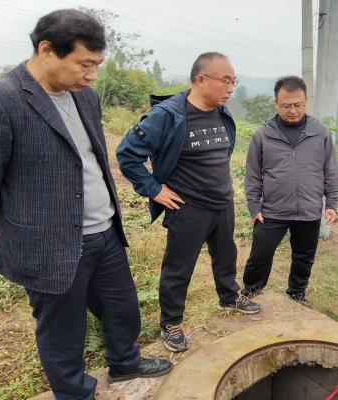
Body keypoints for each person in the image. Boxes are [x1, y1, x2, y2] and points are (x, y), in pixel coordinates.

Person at [0, 9, 172, 399]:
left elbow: (92, 159)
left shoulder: (85, 97)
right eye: (84, 64)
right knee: (63, 331)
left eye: (97, 65)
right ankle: (74, 393)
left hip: (105, 232)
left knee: (122, 308)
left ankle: (125, 363)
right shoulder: (1, 100)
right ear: (47, 50)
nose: (92, 75)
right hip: (49, 245)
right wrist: (26, 229)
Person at [116, 52, 261, 353]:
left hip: (222, 202)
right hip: (188, 207)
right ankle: (171, 322)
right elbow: (127, 154)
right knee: (178, 268)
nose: (231, 88)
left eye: (234, 81)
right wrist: (153, 189)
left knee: (226, 254)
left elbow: (221, 154)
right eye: (225, 80)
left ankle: (229, 296)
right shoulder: (168, 115)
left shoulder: (222, 112)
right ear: (201, 79)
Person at [241, 75, 338, 302]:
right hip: (272, 210)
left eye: (298, 105)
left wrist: (332, 203)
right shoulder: (263, 134)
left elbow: (330, 170)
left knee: (304, 256)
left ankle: (297, 293)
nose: (293, 110)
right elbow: (253, 175)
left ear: (306, 101)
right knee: (260, 255)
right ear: (276, 103)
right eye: (286, 106)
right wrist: (254, 207)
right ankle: (251, 291)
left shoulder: (320, 132)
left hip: (309, 209)